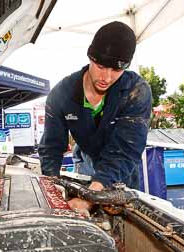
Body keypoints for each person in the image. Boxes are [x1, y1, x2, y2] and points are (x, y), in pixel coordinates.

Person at [38, 21, 152, 212]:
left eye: (116, 70)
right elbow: (51, 147)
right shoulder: (62, 94)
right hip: (86, 164)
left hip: (122, 173)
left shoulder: (136, 92)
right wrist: (53, 188)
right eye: (100, 66)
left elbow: (125, 151)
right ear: (90, 57)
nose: (106, 78)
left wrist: (92, 196)